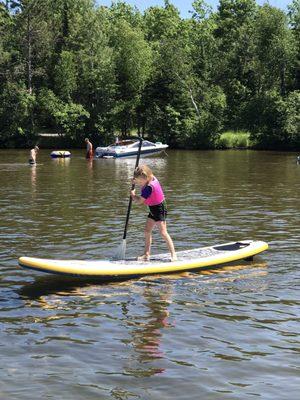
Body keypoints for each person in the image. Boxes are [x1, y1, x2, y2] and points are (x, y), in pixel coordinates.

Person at [131, 165, 177, 262]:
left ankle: (174, 255)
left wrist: (133, 196)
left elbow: (140, 201)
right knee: (147, 230)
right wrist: (136, 180)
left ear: (146, 177)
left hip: (159, 209)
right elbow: (144, 174)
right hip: (153, 208)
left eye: (140, 181)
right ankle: (146, 254)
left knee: (163, 232)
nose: (138, 183)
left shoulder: (148, 188)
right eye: (137, 181)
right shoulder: (151, 177)